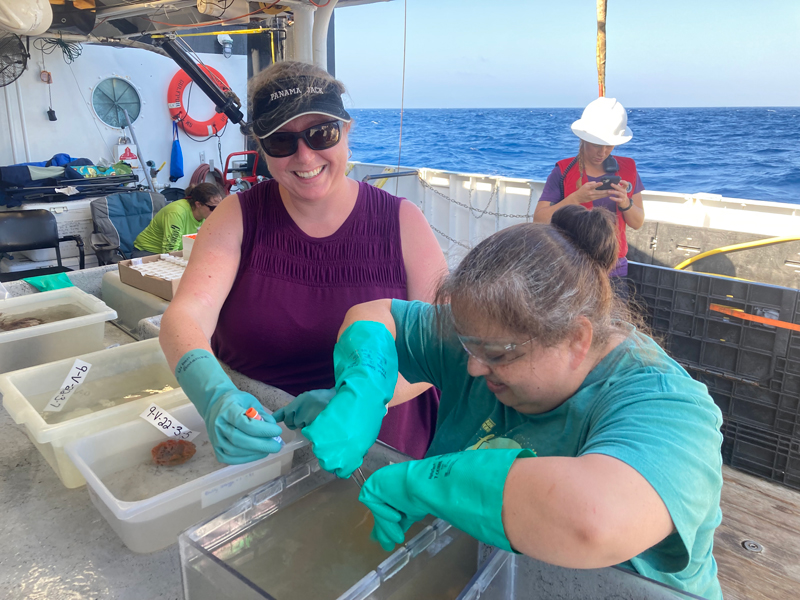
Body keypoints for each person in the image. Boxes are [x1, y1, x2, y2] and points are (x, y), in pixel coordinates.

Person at [299, 204, 723, 600]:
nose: (473, 369)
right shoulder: (483, 334)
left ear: (577, 340)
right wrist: (364, 387)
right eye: (468, 347)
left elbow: (595, 520)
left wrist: (425, 482)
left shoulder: (669, 405)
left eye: (499, 356)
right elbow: (375, 315)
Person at [159, 61, 446, 465]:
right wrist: (214, 395)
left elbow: (443, 347)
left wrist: (360, 400)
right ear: (261, 147)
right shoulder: (236, 216)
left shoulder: (404, 222)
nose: (304, 155)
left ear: (346, 131)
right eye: (281, 141)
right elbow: (185, 316)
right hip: (261, 440)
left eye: (321, 133)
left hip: (383, 449)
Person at [533, 97, 645, 280]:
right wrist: (576, 198)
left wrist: (625, 202)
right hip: (571, 265)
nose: (602, 152)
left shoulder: (628, 169)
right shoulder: (562, 171)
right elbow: (539, 219)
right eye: (596, 145)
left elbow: (637, 222)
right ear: (583, 139)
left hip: (614, 268)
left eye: (609, 146)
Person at [133, 183, 221, 256]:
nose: (217, 211)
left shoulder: (206, 213)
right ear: (198, 204)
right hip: (148, 252)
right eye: (213, 208)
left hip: (178, 252)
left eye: (220, 207)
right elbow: (170, 251)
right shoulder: (176, 213)